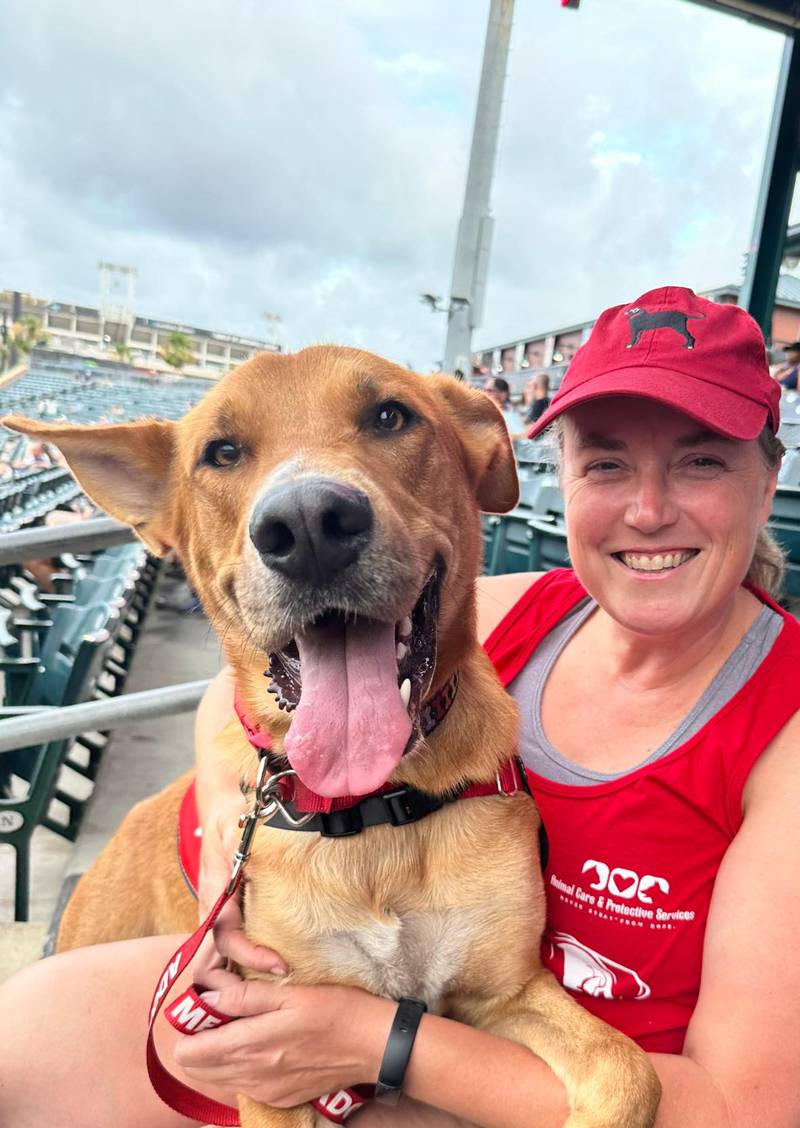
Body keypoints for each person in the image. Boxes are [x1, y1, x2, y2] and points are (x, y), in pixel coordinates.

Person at [2, 285, 800, 1128]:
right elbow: (232, 695)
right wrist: (219, 847)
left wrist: (369, 1038)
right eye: (605, 463)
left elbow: (741, 1110)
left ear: (770, 477)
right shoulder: (525, 611)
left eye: (702, 460)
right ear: (559, 476)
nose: (647, 510)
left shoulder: (779, 728)